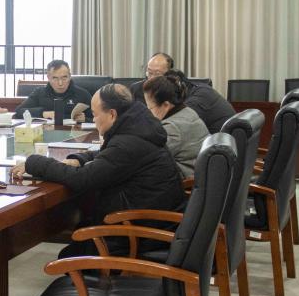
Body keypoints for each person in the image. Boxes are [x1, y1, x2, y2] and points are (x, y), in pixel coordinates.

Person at [11, 83, 184, 257]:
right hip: (152, 224)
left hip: (139, 236)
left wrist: (34, 162)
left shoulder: (128, 143)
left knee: (69, 256)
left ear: (112, 114)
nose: (93, 120)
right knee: (77, 243)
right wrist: (80, 159)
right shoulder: (139, 128)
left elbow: (82, 179)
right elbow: (110, 155)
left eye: (94, 114)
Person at [143, 72, 209, 179]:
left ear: (165, 105)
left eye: (150, 108)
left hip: (184, 181)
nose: (148, 112)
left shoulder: (172, 128)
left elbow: (148, 157)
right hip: (198, 173)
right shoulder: (187, 111)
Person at [13, 59, 92, 122]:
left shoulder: (82, 94)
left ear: (70, 76)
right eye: (55, 78)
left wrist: (85, 119)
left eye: (64, 78)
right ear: (48, 78)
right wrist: (43, 113)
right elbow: (19, 112)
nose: (60, 83)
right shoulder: (40, 93)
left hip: (74, 135)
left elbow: (96, 118)